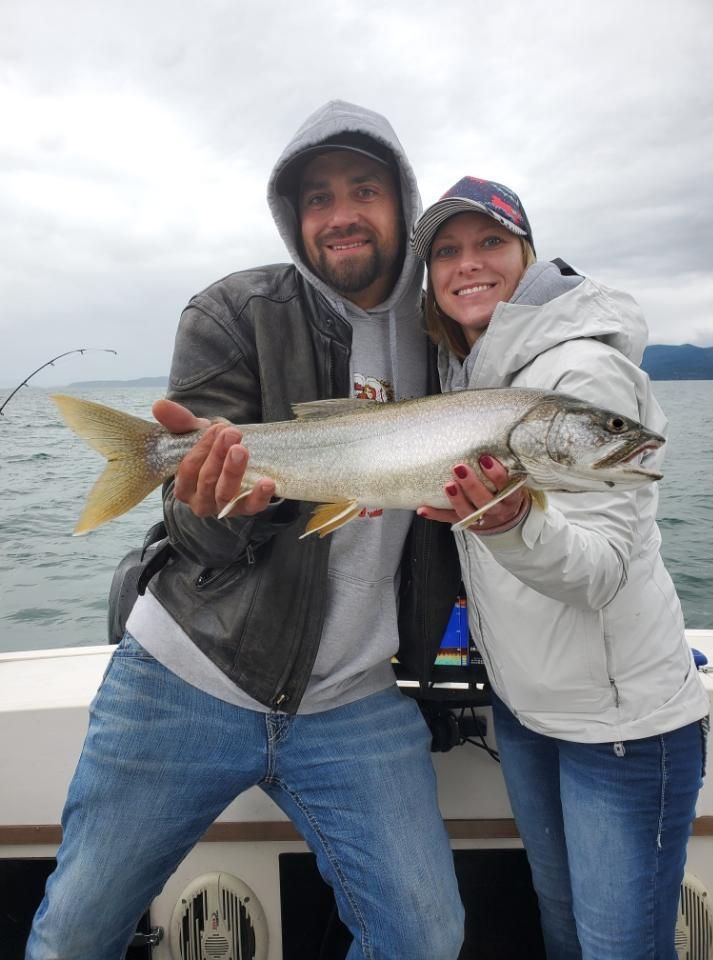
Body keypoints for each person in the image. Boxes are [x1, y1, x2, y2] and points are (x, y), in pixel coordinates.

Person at [26, 102, 465, 960]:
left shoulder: (448, 329)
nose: (340, 213)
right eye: (317, 197)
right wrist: (223, 502)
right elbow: (199, 541)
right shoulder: (233, 309)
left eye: (364, 189)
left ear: (402, 202)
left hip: (354, 699)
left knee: (425, 938)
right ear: (292, 216)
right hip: (187, 674)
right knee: (75, 934)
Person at [411, 176, 710, 960]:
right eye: (446, 250)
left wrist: (509, 521)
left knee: (618, 947)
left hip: (621, 730)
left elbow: (603, 571)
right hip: (529, 712)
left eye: (490, 243)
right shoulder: (471, 376)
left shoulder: (582, 371)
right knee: (563, 926)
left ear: (528, 257)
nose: (468, 264)